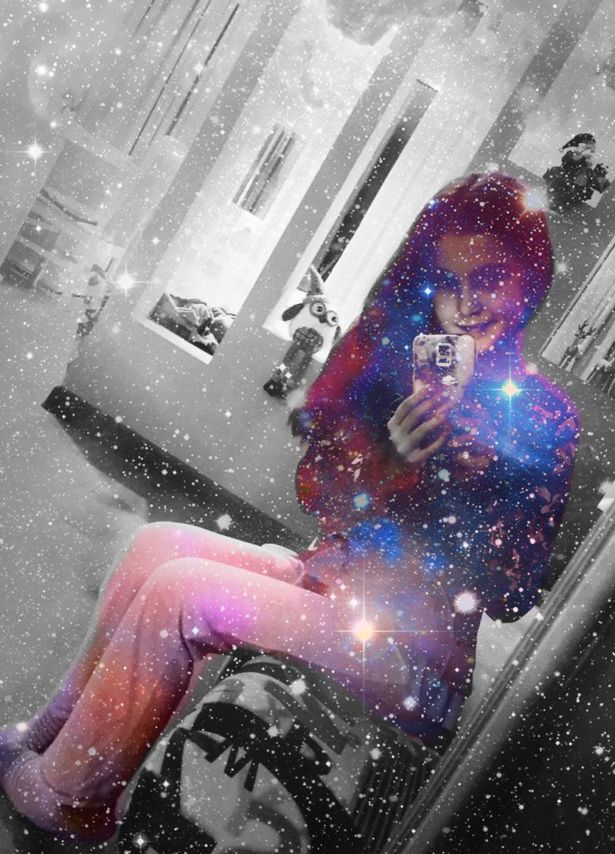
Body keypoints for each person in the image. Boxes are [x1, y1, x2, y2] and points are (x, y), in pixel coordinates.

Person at [0, 173, 579, 842]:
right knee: (154, 545)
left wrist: (466, 477)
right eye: (449, 283)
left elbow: (511, 594)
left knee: (184, 591)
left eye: (491, 277)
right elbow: (319, 497)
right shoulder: (400, 368)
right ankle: (52, 736)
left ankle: (69, 800)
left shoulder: (544, 417)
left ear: (530, 276)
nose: (468, 304)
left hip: (414, 658)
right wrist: (390, 461)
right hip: (332, 586)